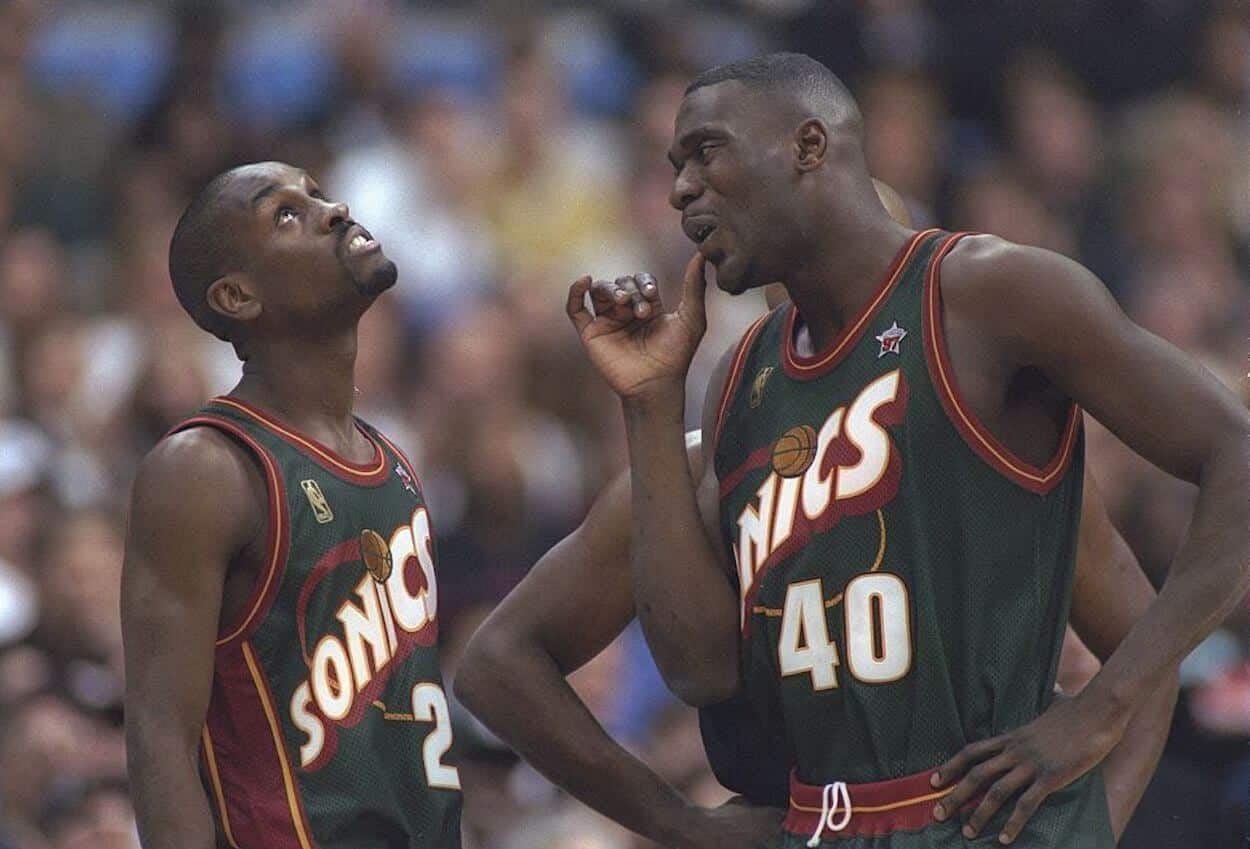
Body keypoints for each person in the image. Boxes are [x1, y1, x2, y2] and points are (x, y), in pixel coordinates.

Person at [565, 53, 1249, 847]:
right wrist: (674, 821)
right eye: (674, 166)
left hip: (976, 815)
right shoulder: (738, 380)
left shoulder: (990, 292)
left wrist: (1101, 714)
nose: (681, 187)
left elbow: (1235, 455)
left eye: (705, 152)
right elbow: (699, 673)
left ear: (809, 146)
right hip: (820, 820)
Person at [456, 183, 1172, 847]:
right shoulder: (705, 467)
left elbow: (1150, 652)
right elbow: (498, 665)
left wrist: (1092, 825)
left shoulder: (998, 452)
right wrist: (677, 820)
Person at [121, 162, 461, 849]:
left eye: (316, 192)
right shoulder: (208, 467)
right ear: (238, 295)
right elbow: (160, 738)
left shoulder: (391, 462)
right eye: (285, 214)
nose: (333, 208)